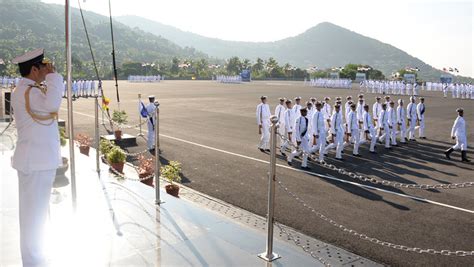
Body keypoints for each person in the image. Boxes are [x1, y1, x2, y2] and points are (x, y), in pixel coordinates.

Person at [10, 48, 63, 266]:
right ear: (34, 69)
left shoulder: (27, 90)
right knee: (34, 217)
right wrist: (54, 76)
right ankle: (33, 262)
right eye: (43, 67)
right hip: (36, 163)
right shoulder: (29, 92)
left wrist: (49, 77)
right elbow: (52, 105)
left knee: (35, 215)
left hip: (36, 162)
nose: (46, 70)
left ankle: (36, 258)